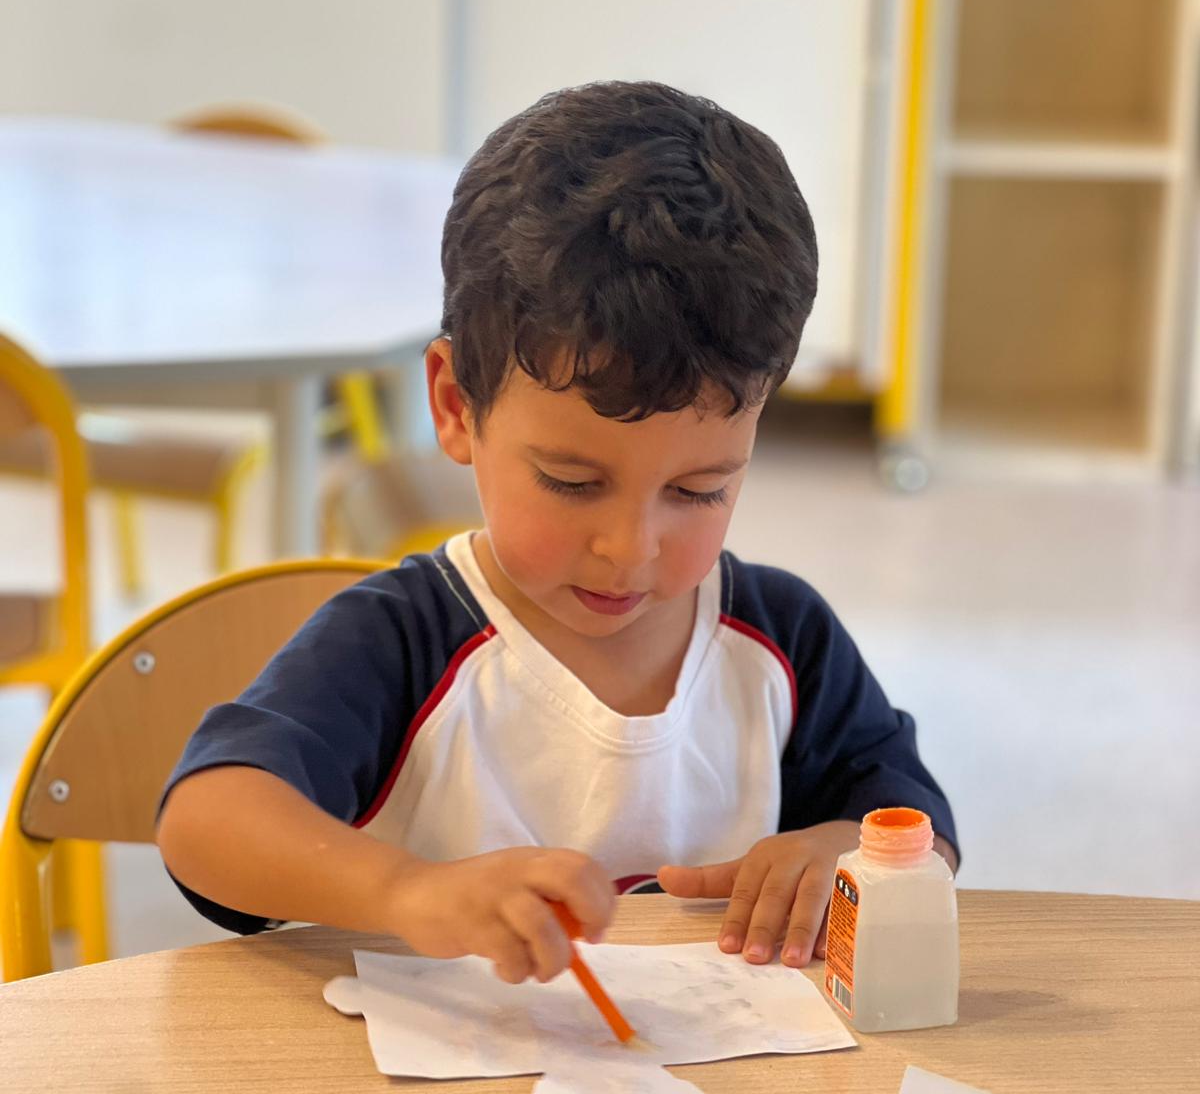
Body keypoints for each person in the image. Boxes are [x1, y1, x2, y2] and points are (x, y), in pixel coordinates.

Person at [157, 80, 958, 987]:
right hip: (436, 1071)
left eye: (698, 490)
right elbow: (205, 820)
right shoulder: (402, 642)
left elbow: (917, 825)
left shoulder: (783, 639)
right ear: (455, 407)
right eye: (572, 483)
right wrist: (406, 891)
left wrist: (843, 850)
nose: (630, 547)